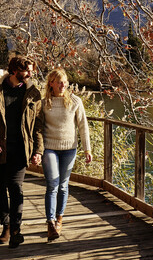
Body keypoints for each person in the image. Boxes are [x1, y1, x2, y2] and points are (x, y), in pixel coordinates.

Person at [40, 68, 92, 241]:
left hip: (69, 149)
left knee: (63, 185)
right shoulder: (43, 103)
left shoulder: (75, 101)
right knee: (52, 184)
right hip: (50, 148)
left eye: (65, 82)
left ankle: (59, 218)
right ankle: (50, 222)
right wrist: (37, 151)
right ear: (51, 84)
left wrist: (87, 150)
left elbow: (83, 126)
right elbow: (37, 128)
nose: (63, 85)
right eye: (59, 82)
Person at [0, 56, 43, 248]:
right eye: (27, 71)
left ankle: (16, 229)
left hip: (20, 150)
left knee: (16, 188)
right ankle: (6, 225)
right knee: (0, 189)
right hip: (1, 151)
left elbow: (38, 127)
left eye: (31, 71)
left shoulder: (33, 93)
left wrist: (38, 151)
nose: (30, 74)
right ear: (15, 70)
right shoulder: (0, 89)